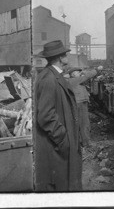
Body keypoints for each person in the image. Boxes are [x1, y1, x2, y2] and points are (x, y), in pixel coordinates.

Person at [34, 40, 82, 191]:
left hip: (58, 145)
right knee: (62, 186)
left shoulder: (52, 75)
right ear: (61, 58)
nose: (67, 56)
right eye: (65, 54)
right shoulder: (49, 79)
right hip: (57, 147)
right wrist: (64, 139)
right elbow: (46, 116)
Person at [66, 66, 103, 147]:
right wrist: (97, 69)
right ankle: (86, 142)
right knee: (84, 123)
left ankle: (80, 141)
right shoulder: (75, 80)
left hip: (79, 102)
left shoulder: (73, 80)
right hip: (80, 103)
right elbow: (87, 76)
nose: (80, 73)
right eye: (78, 72)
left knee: (79, 122)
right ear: (73, 74)